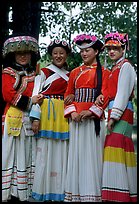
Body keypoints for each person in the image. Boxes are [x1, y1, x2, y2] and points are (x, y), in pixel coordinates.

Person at [63, 34, 110, 202]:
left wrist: (90, 112)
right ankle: (76, 194)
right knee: (76, 156)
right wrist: (73, 113)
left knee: (93, 156)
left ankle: (92, 195)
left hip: (92, 120)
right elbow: (67, 95)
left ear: (96, 51)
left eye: (87, 50)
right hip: (76, 120)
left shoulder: (105, 72)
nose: (83, 54)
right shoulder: (75, 72)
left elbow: (107, 95)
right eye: (82, 51)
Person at [30, 39, 74, 202]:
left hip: (62, 115)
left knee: (62, 152)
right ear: (51, 55)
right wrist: (35, 118)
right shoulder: (43, 72)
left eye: (61, 53)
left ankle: (59, 191)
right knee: (44, 152)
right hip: (47, 113)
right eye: (55, 53)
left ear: (66, 55)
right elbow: (36, 93)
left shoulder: (71, 75)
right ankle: (42, 190)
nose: (58, 56)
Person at [2, 34, 44, 202]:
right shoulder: (8, 73)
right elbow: (7, 93)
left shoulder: (36, 74)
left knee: (27, 152)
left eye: (26, 53)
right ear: (13, 55)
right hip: (13, 116)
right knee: (10, 152)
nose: (23, 56)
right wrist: (30, 101)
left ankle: (24, 191)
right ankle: (9, 192)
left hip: (30, 119)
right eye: (19, 53)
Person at [99, 32, 137, 202]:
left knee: (116, 145)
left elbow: (123, 93)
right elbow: (110, 92)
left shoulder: (126, 66)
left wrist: (113, 117)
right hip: (115, 109)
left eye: (115, 48)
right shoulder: (114, 68)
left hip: (123, 111)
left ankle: (120, 193)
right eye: (109, 49)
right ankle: (119, 192)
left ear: (123, 49)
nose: (112, 52)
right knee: (116, 148)